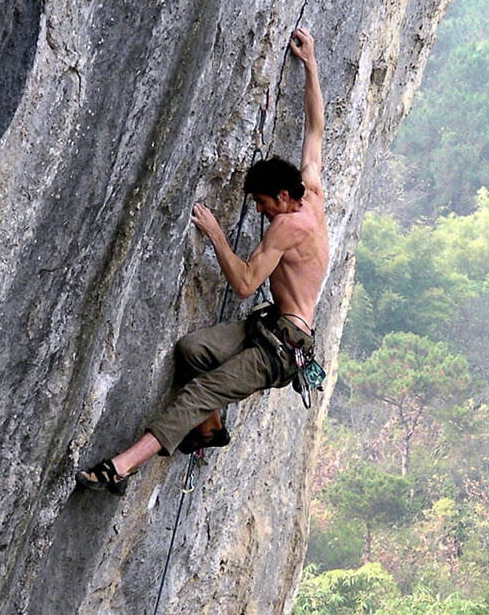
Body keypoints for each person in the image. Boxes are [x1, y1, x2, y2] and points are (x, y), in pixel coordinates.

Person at [76, 28, 328, 495]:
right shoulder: (310, 191)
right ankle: (209, 428)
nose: (258, 210)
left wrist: (215, 235)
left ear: (282, 197)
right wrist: (310, 64)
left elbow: (246, 284)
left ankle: (118, 469)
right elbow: (315, 129)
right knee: (193, 351)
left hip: (281, 349)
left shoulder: (290, 226)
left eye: (262, 202)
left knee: (199, 391)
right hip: (271, 326)